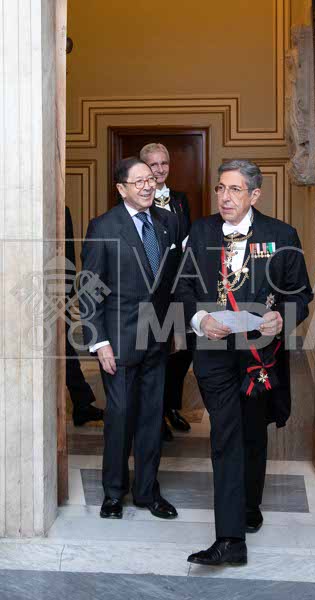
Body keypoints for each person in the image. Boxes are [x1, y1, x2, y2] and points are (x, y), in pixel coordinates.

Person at [176, 159, 313, 565]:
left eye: (235, 189)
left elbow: (300, 295)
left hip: (260, 356)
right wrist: (200, 319)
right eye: (221, 188)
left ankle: (249, 506)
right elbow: (182, 289)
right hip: (214, 354)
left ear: (254, 195)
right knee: (227, 436)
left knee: (253, 433)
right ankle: (231, 539)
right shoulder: (200, 232)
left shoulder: (281, 235)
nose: (225, 197)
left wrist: (281, 318)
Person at [80, 156, 180, 520]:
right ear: (122, 189)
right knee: (120, 417)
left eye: (150, 179)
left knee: (152, 418)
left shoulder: (167, 222)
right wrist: (99, 341)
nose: (148, 185)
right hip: (118, 340)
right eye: (139, 181)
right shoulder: (104, 226)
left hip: (157, 337)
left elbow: (169, 281)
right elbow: (90, 289)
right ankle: (113, 493)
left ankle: (147, 492)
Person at [140, 142, 192, 441]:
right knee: (155, 351)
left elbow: (186, 240)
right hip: (151, 289)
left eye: (164, 164)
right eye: (153, 165)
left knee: (182, 351)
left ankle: (171, 406)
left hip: (178, 285)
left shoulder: (181, 200)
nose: (160, 170)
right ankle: (154, 415)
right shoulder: (136, 198)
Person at [65, 205, 103, 426]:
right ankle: (81, 402)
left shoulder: (61, 210)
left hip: (53, 294)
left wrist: (67, 292)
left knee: (63, 348)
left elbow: (67, 253)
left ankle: (81, 402)